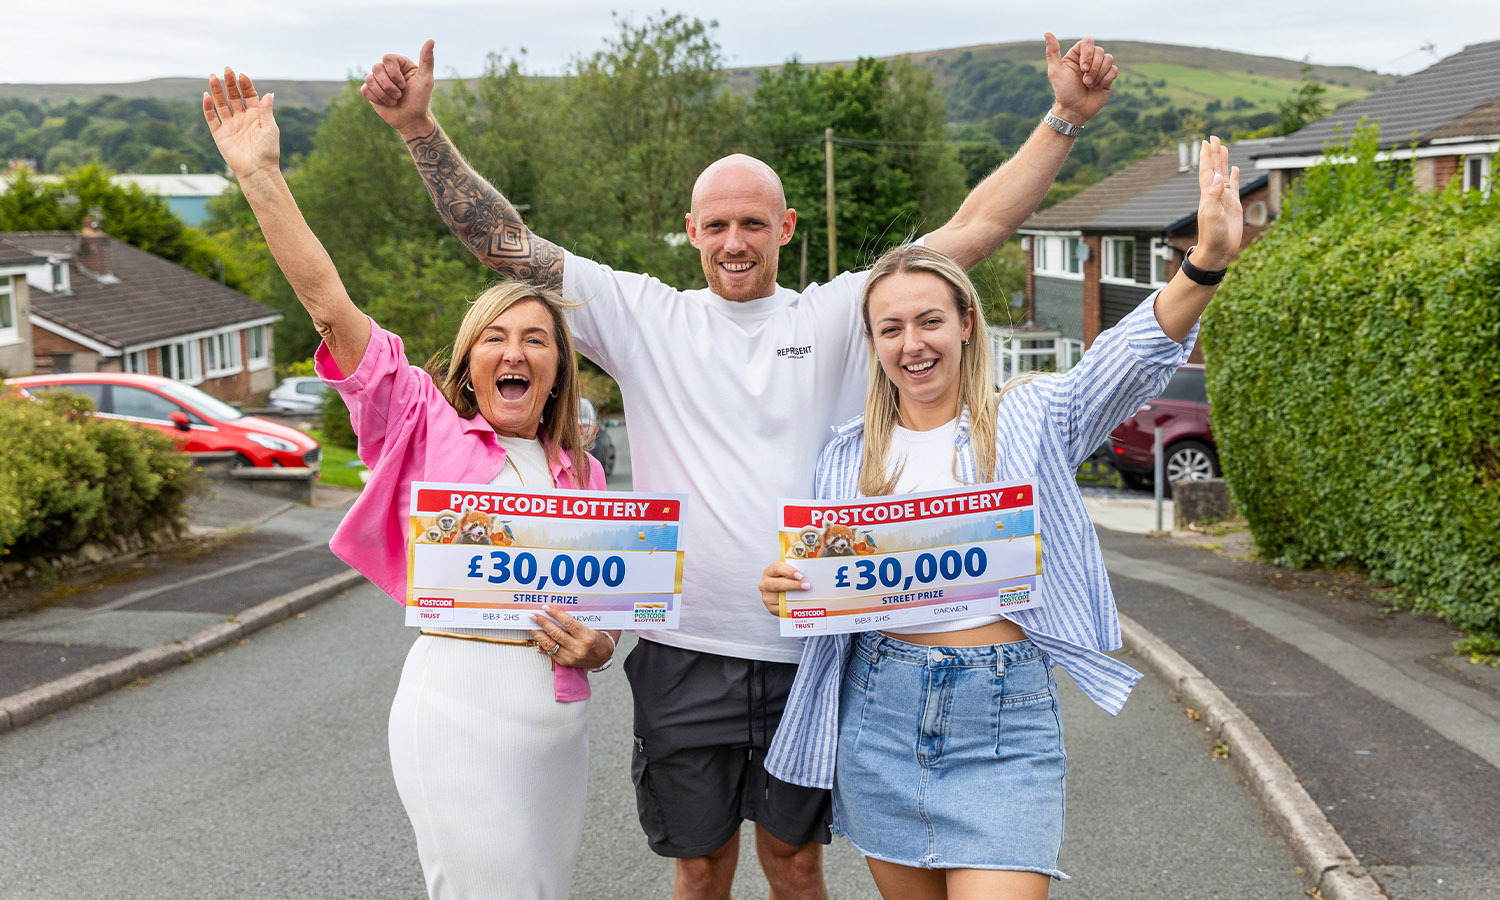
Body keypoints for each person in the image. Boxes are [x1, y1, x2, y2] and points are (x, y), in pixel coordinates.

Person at [360, 33, 1117, 899]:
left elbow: (973, 232)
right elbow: (507, 245)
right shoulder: (643, 314)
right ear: (691, 232)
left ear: (785, 228)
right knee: (700, 867)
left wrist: (1064, 117)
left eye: (753, 222)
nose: (734, 241)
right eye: (716, 224)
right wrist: (419, 129)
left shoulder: (837, 312)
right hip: (682, 649)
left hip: (811, 648)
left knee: (795, 866)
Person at [755, 139, 1244, 899]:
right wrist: (787, 588)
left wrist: (1204, 264)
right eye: (891, 330)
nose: (912, 345)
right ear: (874, 343)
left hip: (1004, 720)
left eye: (928, 322)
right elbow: (826, 591)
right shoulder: (844, 460)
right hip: (880, 715)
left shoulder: (1032, 418)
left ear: (966, 326)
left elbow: (1125, 356)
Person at [202, 69, 619, 900]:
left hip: (559, 730)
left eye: (536, 339)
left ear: (558, 368)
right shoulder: (421, 421)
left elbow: (602, 619)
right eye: (494, 337)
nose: (515, 352)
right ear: (469, 362)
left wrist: (599, 647)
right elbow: (327, 302)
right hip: (459, 711)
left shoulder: (586, 472)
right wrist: (260, 175)